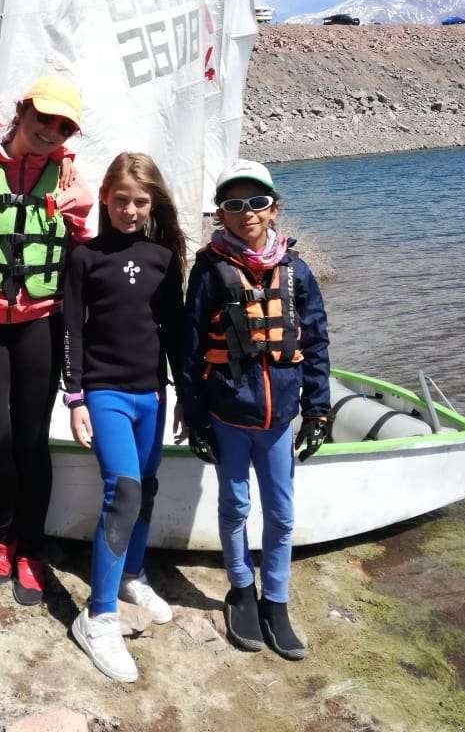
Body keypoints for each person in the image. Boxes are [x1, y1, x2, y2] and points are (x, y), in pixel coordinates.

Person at [177, 160, 330, 661]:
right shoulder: (208, 271)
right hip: (228, 417)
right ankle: (241, 589)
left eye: (257, 202)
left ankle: (276, 599)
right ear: (220, 213)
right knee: (235, 506)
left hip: (279, 421)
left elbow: (316, 342)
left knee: (282, 515)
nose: (247, 212)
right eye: (234, 204)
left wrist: (318, 412)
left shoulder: (296, 270)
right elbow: (190, 349)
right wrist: (196, 419)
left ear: (274, 208)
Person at [0, 76, 92, 606]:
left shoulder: (70, 180)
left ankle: (30, 549)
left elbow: (82, 256)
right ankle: (5, 532)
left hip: (39, 326)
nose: (51, 132)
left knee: (30, 441)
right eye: (43, 119)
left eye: (64, 128)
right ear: (22, 110)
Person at [64, 152, 185, 683]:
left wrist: (186, 396)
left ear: (152, 203)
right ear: (105, 199)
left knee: (148, 487)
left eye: (140, 202)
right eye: (120, 201)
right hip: (105, 391)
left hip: (151, 394)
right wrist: (74, 398)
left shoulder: (164, 258)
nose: (130, 211)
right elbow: (72, 329)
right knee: (125, 491)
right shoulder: (85, 257)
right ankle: (98, 617)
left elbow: (174, 330)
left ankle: (133, 575)